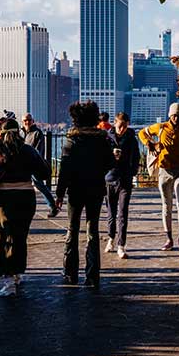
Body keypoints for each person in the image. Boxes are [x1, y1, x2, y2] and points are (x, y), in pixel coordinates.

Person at [0, 119, 50, 297]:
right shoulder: (28, 150)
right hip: (25, 196)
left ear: (2, 132)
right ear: (19, 132)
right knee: (20, 235)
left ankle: (8, 280)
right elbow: (45, 172)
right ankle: (17, 273)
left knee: (3, 237)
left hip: (1, 199)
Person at [55, 101, 115, 289]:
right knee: (93, 231)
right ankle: (92, 276)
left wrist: (58, 195)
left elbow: (64, 171)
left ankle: (70, 273)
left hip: (75, 190)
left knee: (72, 230)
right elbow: (110, 163)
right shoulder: (102, 141)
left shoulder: (72, 142)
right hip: (96, 189)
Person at [139, 102, 179, 253]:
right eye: (174, 115)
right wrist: (150, 144)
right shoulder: (161, 127)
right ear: (169, 115)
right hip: (164, 171)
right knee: (166, 205)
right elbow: (141, 133)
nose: (176, 118)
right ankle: (169, 239)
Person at [104, 112, 140, 259]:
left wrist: (132, 172)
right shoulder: (107, 138)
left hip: (125, 179)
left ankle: (121, 245)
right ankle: (111, 238)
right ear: (114, 123)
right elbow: (102, 155)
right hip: (110, 178)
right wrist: (110, 157)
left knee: (123, 213)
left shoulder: (131, 139)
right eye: (120, 126)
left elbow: (136, 157)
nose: (122, 129)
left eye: (125, 126)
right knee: (111, 213)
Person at [21, 113, 58, 218]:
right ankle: (52, 206)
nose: (27, 122)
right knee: (34, 186)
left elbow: (39, 151)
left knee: (40, 185)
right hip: (24, 164)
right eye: (25, 120)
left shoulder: (37, 133)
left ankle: (53, 206)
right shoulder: (22, 133)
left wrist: (33, 163)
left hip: (32, 164)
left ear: (33, 120)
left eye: (29, 120)